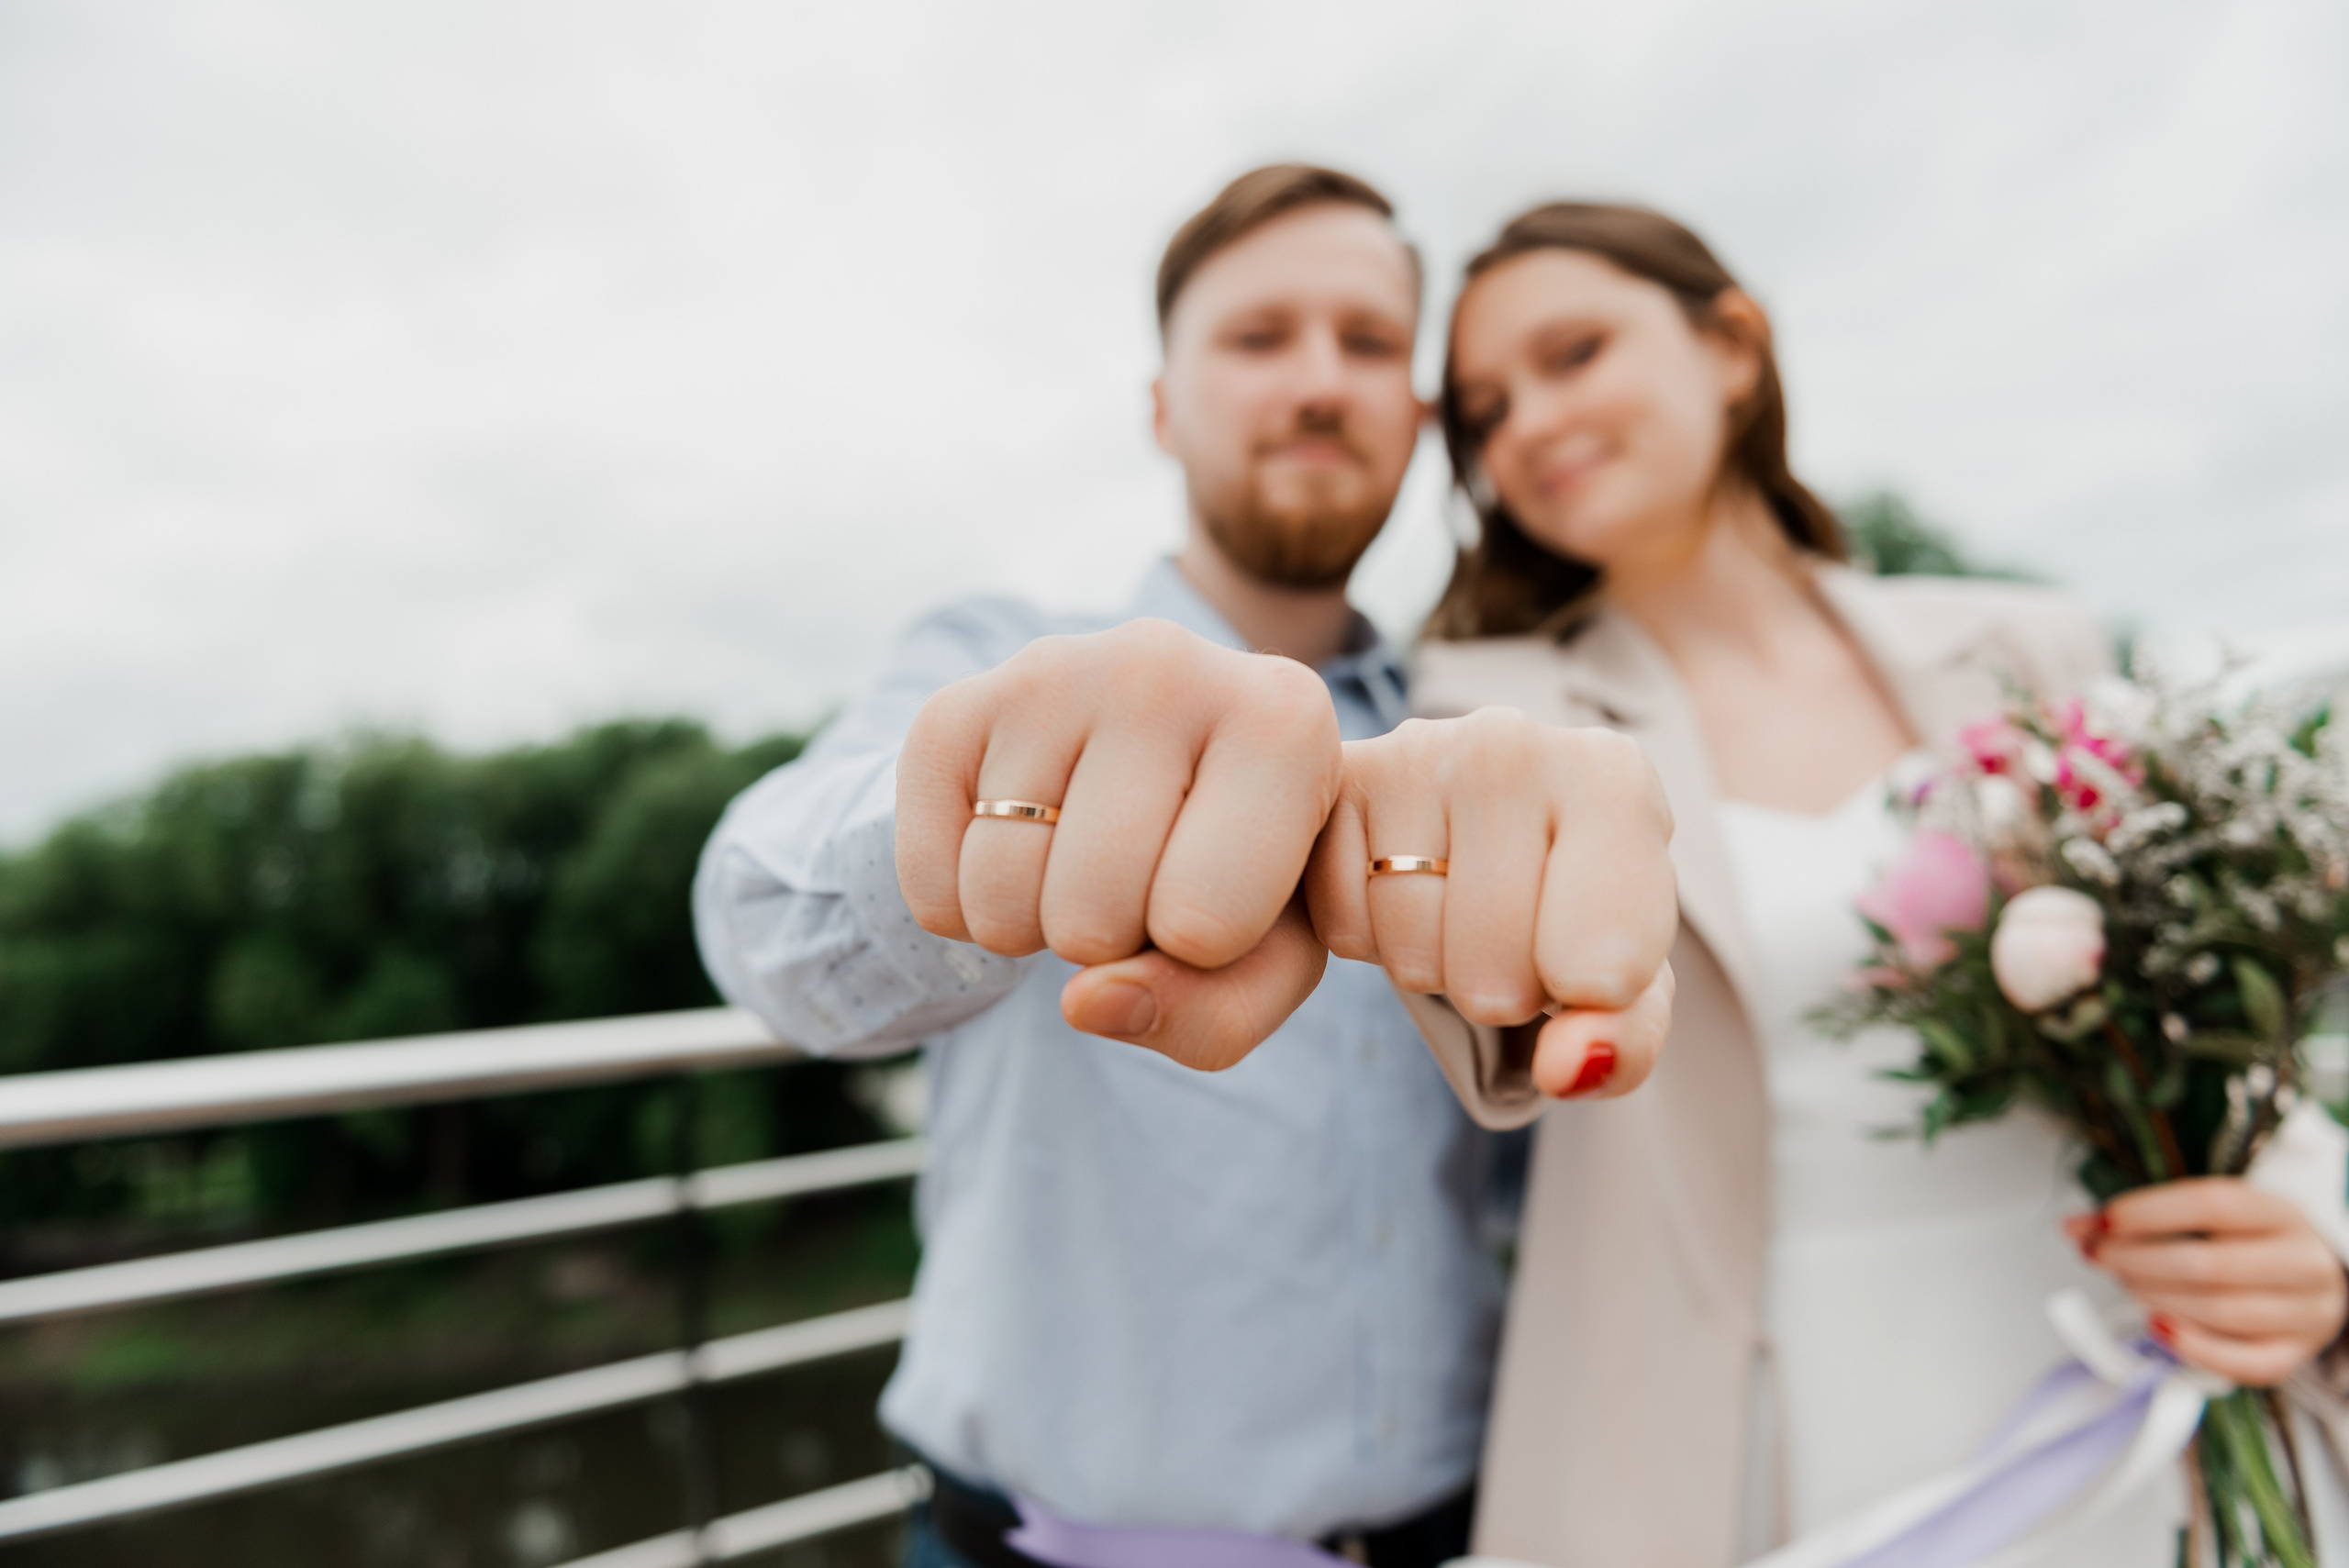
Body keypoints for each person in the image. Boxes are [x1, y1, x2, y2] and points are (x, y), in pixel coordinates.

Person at [692, 168, 1676, 1568]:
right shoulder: (993, 658)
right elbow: (758, 929)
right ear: (1163, 403)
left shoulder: (1488, 735)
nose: (1320, 381)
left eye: (1368, 341)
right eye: (1258, 336)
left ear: (1417, 413)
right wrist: (979, 805)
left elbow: (1557, 1187)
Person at [1399, 201, 2349, 1566]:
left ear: (1733, 345)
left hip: (2110, 1355)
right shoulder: (1484, 712)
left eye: (1575, 353)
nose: (1528, 424)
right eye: (1485, 408)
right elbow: (1471, 1001)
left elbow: (2210, 1004)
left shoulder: (2030, 643)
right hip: (1752, 1421)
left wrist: (2311, 1234)